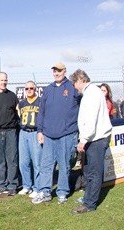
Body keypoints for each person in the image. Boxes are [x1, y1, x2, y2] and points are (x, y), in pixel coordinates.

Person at [32, 63, 80, 205]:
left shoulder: (72, 87)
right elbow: (42, 112)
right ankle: (45, 192)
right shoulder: (48, 89)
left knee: (64, 164)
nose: (57, 73)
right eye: (55, 71)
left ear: (65, 71)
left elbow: (83, 108)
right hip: (48, 134)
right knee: (46, 164)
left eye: (59, 71)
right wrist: (40, 130)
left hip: (66, 134)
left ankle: (62, 192)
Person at [70, 69, 112, 214]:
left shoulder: (92, 94)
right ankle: (88, 198)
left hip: (96, 139)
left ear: (80, 81)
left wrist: (84, 139)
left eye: (74, 83)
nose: (74, 87)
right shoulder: (92, 92)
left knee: (93, 172)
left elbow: (91, 119)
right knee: (88, 171)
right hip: (94, 138)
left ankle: (89, 205)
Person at [17, 81, 42, 198]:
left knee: (37, 162)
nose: (29, 90)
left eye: (31, 88)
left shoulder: (40, 102)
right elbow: (18, 117)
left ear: (35, 89)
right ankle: (27, 185)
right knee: (23, 161)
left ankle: (37, 187)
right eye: (27, 88)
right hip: (24, 133)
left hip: (35, 132)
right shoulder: (21, 103)